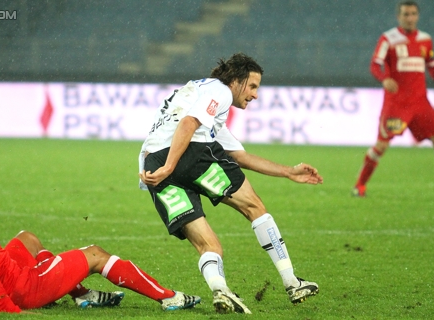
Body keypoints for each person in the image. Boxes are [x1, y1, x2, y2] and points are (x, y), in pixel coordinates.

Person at [0, 150, 201, 313]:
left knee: (28, 238)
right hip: (18, 289)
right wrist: (8, 308)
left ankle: (82, 294)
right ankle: (169, 297)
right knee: (95, 254)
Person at [138, 53, 323, 314]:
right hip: (185, 154)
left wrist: (288, 172)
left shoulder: (197, 98)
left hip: (152, 164)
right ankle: (292, 282)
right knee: (254, 207)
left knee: (208, 245)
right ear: (236, 80)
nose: (255, 94)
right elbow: (189, 124)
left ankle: (220, 290)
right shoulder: (220, 91)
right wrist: (171, 164)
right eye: (253, 86)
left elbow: (238, 156)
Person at [353, 1, 434, 198]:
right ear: (399, 17)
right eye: (406, 14)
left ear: (418, 16)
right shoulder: (388, 39)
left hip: (420, 102)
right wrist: (384, 79)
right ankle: (359, 186)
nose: (410, 18)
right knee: (381, 145)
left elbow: (432, 65)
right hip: (396, 103)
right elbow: (375, 65)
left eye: (413, 14)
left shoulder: (425, 39)